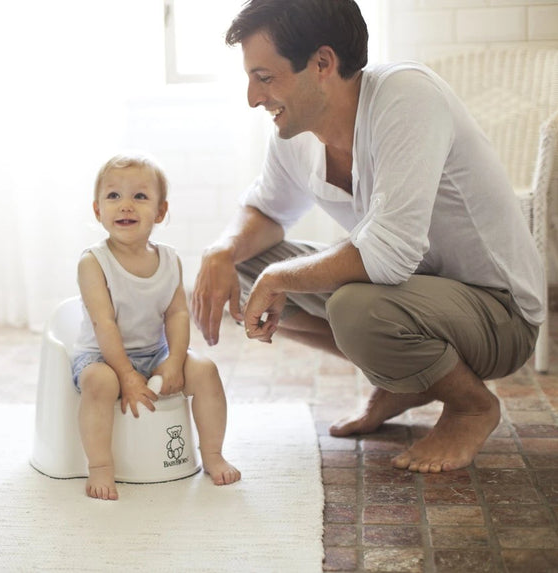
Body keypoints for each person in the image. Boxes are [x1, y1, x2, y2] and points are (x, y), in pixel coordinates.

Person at [191, 0, 544, 474]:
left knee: (355, 308)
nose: (253, 98)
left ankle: (471, 407)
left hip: (501, 313)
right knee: (241, 268)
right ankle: (409, 379)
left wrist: (279, 278)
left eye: (265, 77)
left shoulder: (406, 97)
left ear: (322, 63)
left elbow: (391, 253)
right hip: (417, 297)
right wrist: (221, 251)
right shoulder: (294, 134)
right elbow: (266, 211)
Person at [73, 153, 241, 500]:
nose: (126, 205)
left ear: (160, 212)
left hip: (155, 352)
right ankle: (101, 466)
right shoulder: (93, 262)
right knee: (99, 382)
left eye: (140, 196)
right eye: (114, 196)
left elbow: (177, 314)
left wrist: (175, 360)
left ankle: (212, 454)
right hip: (102, 356)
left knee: (205, 371)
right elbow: (104, 324)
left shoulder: (168, 260)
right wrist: (125, 374)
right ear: (98, 210)